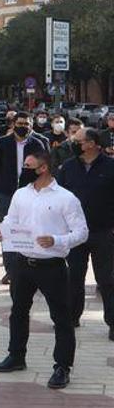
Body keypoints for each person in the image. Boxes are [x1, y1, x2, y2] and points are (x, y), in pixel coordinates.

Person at [0, 151, 88, 389]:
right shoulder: (20, 194)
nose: (24, 168)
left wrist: (56, 240)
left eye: (28, 165)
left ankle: (62, 366)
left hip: (52, 265)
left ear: (43, 168)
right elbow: (10, 220)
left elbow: (81, 232)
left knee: (61, 318)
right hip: (23, 262)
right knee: (18, 311)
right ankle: (16, 356)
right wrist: (2, 232)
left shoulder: (66, 198)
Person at [56, 128, 114, 341]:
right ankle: (71, 318)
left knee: (107, 279)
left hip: (103, 232)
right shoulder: (69, 167)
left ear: (92, 144)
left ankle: (112, 322)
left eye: (78, 140)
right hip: (75, 233)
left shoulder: (110, 166)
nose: (74, 143)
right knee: (73, 278)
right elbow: (58, 196)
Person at [0, 112, 48, 284]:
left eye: (27, 124)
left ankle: (27, 271)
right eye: (20, 123)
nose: (24, 126)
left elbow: (45, 168)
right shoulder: (2, 143)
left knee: (29, 230)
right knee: (7, 232)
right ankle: (11, 271)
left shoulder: (38, 143)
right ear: (13, 124)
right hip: (5, 193)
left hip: (30, 193)